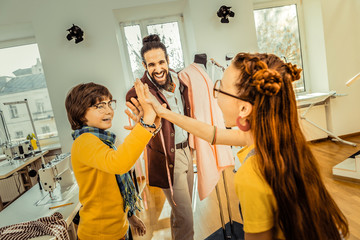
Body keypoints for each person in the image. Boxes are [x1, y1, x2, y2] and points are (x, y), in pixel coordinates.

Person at [135, 52, 349, 240]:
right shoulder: (279, 141)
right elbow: (212, 133)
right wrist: (163, 113)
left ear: (244, 109)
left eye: (220, 89)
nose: (215, 95)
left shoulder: (251, 175)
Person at [65, 82, 161, 240]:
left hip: (116, 230)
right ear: (80, 113)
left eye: (109, 104)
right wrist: (146, 121)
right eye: (99, 106)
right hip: (98, 235)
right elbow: (120, 163)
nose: (109, 110)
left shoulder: (100, 141)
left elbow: (114, 187)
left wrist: (130, 216)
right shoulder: (84, 142)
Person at [126, 34, 194, 240]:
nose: (158, 68)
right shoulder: (138, 94)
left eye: (161, 62)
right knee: (186, 218)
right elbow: (146, 125)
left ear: (168, 61)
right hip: (167, 159)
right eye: (152, 64)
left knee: (181, 213)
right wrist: (143, 122)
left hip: (186, 151)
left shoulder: (180, 80)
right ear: (144, 65)